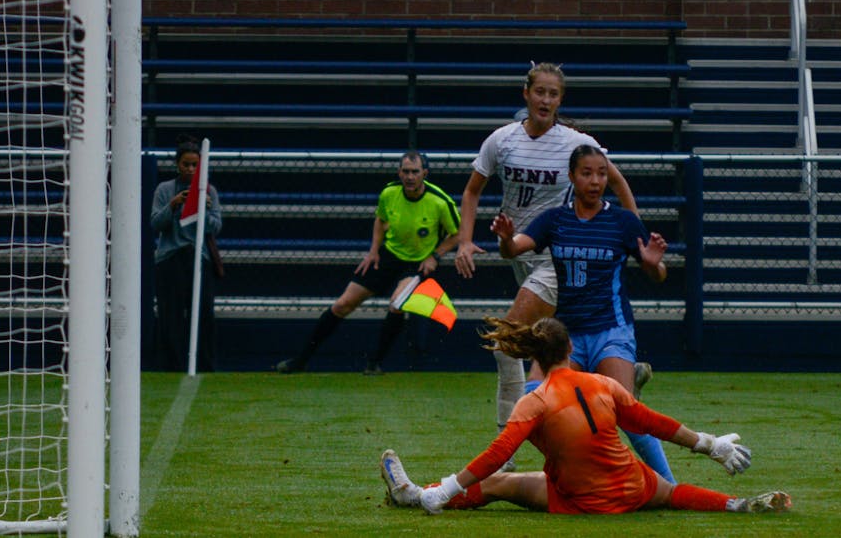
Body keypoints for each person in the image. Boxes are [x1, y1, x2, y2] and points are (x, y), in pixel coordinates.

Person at [378, 316, 791, 516]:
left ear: (535, 358)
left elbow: (497, 454)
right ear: (570, 349)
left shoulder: (534, 401)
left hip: (584, 501)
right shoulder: (603, 384)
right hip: (631, 485)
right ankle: (736, 505)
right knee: (670, 491)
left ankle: (414, 493)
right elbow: (650, 422)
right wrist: (709, 444)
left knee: (499, 482)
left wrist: (447, 488)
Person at [452, 64, 645, 444]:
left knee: (506, 345)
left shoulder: (573, 142)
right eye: (539, 92)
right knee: (560, 354)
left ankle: (506, 442)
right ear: (526, 94)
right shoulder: (502, 140)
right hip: (523, 257)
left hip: (556, 259)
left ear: (560, 100)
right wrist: (464, 240)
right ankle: (623, 384)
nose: (545, 100)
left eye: (553, 94)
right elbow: (472, 190)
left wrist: (631, 236)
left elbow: (618, 181)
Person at [490, 143, 674, 480]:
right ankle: (583, 465)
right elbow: (513, 249)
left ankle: (670, 485)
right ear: (572, 177)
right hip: (567, 337)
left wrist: (652, 265)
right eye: (587, 173)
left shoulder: (622, 222)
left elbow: (658, 274)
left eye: (602, 173)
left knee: (627, 415)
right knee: (531, 403)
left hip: (610, 330)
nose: (595, 180)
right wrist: (505, 239)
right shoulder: (554, 220)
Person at [274, 150, 459, 374]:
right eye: (406, 171)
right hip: (389, 256)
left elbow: (458, 234)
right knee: (342, 304)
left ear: (425, 174)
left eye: (415, 172)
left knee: (397, 304)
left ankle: (374, 363)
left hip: (417, 264)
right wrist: (373, 251)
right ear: (399, 172)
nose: (410, 177)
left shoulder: (439, 201)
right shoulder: (389, 193)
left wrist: (435, 256)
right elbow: (380, 221)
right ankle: (300, 361)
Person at [149, 135, 223, 371]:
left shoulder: (208, 190)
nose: (190, 169)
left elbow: (216, 226)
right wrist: (172, 205)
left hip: (198, 258)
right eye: (186, 164)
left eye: (195, 165)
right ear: (177, 164)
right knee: (169, 315)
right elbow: (155, 224)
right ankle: (172, 365)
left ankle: (203, 365)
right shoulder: (164, 189)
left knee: (203, 314)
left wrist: (204, 210)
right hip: (170, 258)